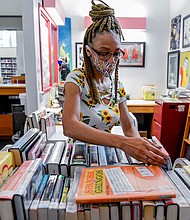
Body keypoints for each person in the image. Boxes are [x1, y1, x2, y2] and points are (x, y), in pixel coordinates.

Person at [62, 0, 168, 166]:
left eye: (117, 53)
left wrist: (144, 148)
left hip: (108, 156)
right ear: (89, 51)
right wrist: (123, 143)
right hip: (82, 158)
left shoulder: (117, 85)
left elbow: (128, 128)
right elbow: (70, 126)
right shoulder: (76, 79)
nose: (112, 60)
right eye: (104, 53)